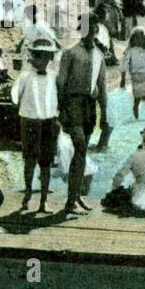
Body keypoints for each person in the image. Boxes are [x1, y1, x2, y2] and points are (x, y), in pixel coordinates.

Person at [56, 20, 108, 214]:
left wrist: (105, 115)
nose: (90, 34)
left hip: (89, 106)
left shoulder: (99, 55)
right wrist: (59, 109)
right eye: (86, 30)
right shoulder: (70, 53)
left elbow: (102, 87)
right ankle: (71, 201)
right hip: (72, 103)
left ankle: (75, 197)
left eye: (93, 30)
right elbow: (60, 83)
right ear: (81, 31)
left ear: (96, 31)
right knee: (80, 147)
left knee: (82, 152)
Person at [11, 39, 60, 213]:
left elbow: (58, 96)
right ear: (33, 57)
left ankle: (44, 200)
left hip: (49, 121)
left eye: (47, 57)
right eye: (40, 56)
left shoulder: (54, 75)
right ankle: (28, 195)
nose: (44, 60)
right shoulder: (25, 75)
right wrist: (20, 104)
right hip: (30, 121)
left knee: (46, 162)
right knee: (30, 161)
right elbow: (15, 95)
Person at [121, 27, 145, 120]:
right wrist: (123, 79)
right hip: (136, 76)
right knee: (137, 100)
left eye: (141, 38)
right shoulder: (130, 52)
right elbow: (124, 65)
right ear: (133, 39)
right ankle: (136, 119)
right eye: (136, 38)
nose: (139, 40)